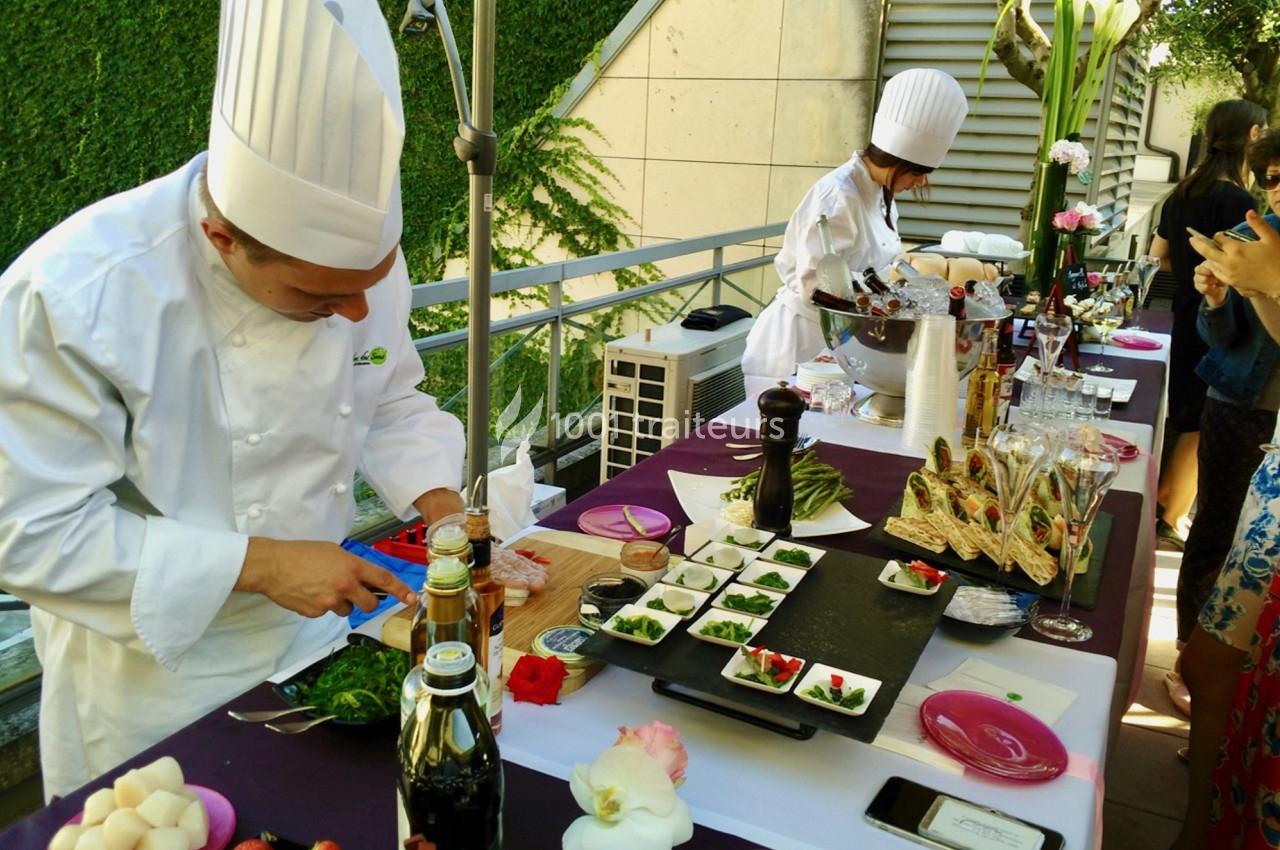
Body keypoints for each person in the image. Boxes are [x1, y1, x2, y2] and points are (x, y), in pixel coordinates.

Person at [0, 0, 466, 798]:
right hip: (153, 681)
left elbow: (386, 397)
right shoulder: (77, 293)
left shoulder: (353, 278)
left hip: (312, 643)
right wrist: (264, 565)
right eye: (320, 296)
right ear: (224, 239)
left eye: (371, 284)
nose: (357, 313)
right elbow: (29, 532)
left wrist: (451, 515)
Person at [741, 68, 969, 380]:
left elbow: (873, 268)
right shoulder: (838, 196)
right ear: (897, 162)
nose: (920, 182)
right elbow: (817, 285)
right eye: (917, 172)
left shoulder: (878, 192)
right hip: (796, 345)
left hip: (841, 340)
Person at [1174, 209, 1280, 849]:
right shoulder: (1263, 230)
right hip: (1271, 468)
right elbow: (1235, 334)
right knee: (1210, 663)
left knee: (1225, 670)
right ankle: (1197, 831)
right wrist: (1251, 289)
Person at [1166, 132, 1280, 715]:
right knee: (1216, 528)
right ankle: (1190, 657)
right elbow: (1224, 337)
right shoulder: (1243, 241)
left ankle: (1238, 696)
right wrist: (1214, 301)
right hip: (1239, 404)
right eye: (1276, 179)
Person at [1151, 99, 1267, 548]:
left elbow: (1158, 256)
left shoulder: (1183, 191)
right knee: (1200, 417)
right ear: (1252, 136)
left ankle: (1168, 509)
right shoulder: (1240, 201)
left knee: (1185, 412)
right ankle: (1170, 514)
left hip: (1184, 307)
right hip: (1223, 314)